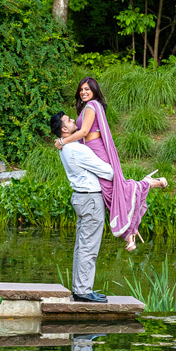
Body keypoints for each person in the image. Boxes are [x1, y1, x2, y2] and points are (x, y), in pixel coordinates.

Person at [54, 78, 168, 252]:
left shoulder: (92, 106)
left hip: (97, 150)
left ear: (94, 91)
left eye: (87, 89)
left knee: (112, 191)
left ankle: (147, 189)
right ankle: (130, 230)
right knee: (110, 193)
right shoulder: (85, 109)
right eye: (81, 89)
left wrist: (63, 141)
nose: (83, 92)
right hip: (90, 151)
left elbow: (84, 132)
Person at [50, 112, 114, 304]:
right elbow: (109, 172)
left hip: (81, 198)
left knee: (82, 245)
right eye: (69, 120)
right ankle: (84, 291)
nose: (74, 121)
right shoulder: (76, 149)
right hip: (90, 199)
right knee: (89, 247)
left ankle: (80, 289)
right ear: (64, 129)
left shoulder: (66, 147)